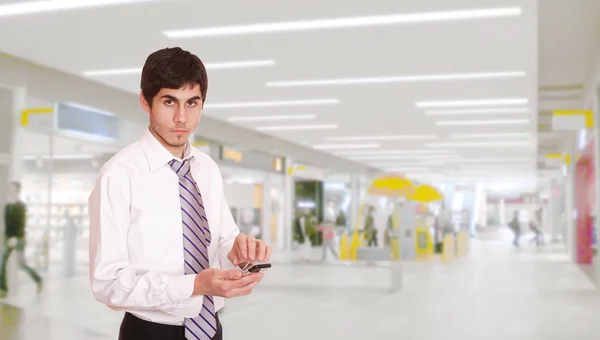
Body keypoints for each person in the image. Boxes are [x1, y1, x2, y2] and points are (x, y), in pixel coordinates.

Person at [88, 47, 271, 340]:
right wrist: (194, 286)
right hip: (150, 332)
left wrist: (238, 253)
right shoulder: (119, 175)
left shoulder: (206, 168)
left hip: (210, 328)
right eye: (170, 101)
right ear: (145, 101)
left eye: (192, 102)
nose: (182, 117)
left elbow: (223, 238)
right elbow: (107, 283)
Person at [0, 181, 43, 297]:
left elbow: (22, 224)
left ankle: (38, 279)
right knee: (1, 262)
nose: (10, 191)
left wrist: (15, 238)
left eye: (12, 189)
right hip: (8, 238)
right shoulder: (7, 206)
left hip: (18, 238)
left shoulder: (21, 206)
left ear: (17, 191)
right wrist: (6, 237)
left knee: (21, 264)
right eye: (9, 189)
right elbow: (7, 224)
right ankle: (3, 289)